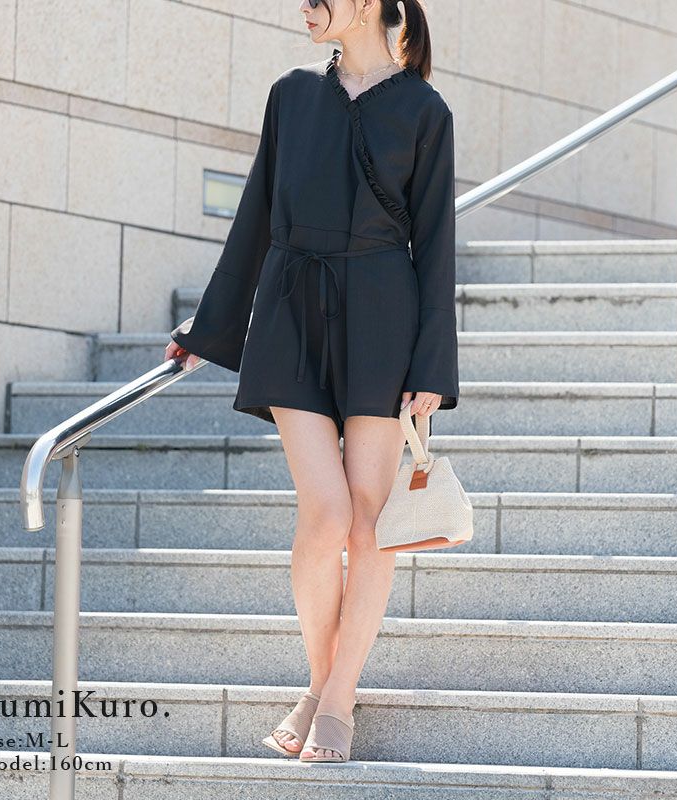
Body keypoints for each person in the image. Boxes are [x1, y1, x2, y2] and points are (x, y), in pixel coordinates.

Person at [164, 0, 458, 763]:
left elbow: (436, 245)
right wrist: (209, 328)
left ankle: (333, 697)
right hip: (292, 311)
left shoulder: (426, 111)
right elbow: (255, 216)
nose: (304, 6)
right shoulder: (291, 95)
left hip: (384, 320)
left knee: (369, 522)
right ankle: (326, 683)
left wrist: (432, 365)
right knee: (326, 515)